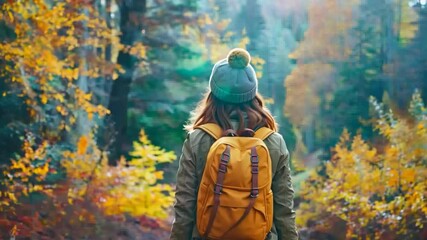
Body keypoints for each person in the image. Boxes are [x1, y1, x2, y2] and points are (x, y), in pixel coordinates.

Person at [170, 48, 298, 240]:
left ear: (213, 94)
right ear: (253, 95)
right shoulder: (273, 141)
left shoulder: (198, 139)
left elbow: (185, 205)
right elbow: (284, 209)